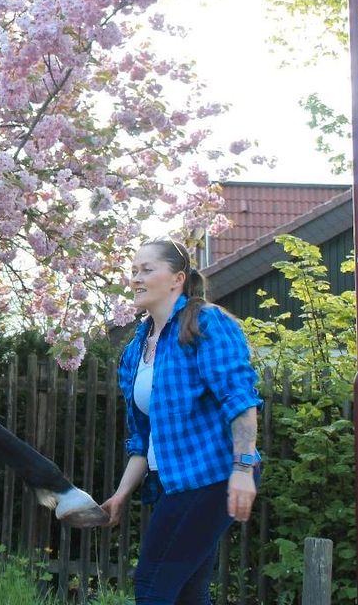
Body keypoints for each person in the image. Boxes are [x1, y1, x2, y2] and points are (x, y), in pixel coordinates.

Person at [100, 237, 263, 604]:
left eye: (146, 269)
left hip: (214, 476)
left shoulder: (206, 323)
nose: (135, 279)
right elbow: (143, 437)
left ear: (176, 279)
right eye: (133, 271)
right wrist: (121, 495)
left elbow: (239, 399)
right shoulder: (137, 347)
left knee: (152, 585)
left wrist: (243, 466)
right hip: (174, 483)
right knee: (188, 593)